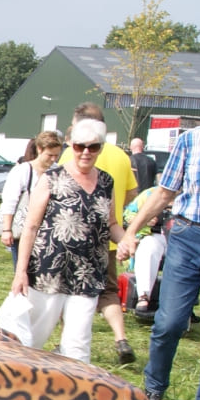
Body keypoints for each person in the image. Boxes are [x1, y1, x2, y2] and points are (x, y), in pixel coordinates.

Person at [119, 74, 200, 400]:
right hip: (187, 237)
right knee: (168, 323)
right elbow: (164, 193)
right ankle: (153, 392)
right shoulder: (191, 141)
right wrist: (133, 231)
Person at [0, 120, 124, 363]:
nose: (86, 152)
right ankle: (13, 381)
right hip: (48, 272)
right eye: (80, 146)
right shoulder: (51, 178)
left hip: (87, 275)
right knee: (31, 338)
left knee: (78, 345)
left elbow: (111, 225)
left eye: (93, 147)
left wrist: (127, 240)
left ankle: (73, 392)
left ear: (100, 148)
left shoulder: (107, 183)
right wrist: (20, 272)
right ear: (71, 146)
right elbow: (31, 227)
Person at [62, 102, 138, 364]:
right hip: (110, 239)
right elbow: (131, 194)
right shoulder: (120, 155)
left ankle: (67, 345)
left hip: (74, 244)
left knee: (71, 295)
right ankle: (120, 338)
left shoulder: (70, 154)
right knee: (108, 292)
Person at [0, 131, 63, 266]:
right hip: (23, 230)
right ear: (39, 149)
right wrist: (7, 230)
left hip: (49, 232)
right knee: (24, 270)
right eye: (49, 155)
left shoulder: (58, 171)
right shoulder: (22, 171)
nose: (53, 159)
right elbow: (9, 201)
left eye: (56, 155)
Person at [122, 184, 169, 320]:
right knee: (148, 246)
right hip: (155, 236)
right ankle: (143, 296)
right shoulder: (150, 194)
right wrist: (145, 220)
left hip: (181, 239)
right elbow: (128, 214)